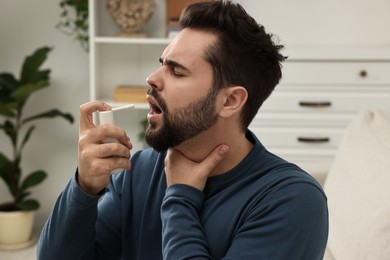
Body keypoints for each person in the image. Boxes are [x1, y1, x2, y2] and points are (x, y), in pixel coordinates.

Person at [38, 1, 328, 259]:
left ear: (229, 100)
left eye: (176, 71)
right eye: (161, 65)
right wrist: (85, 187)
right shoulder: (137, 171)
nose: (151, 78)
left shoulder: (293, 202)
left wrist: (180, 199)